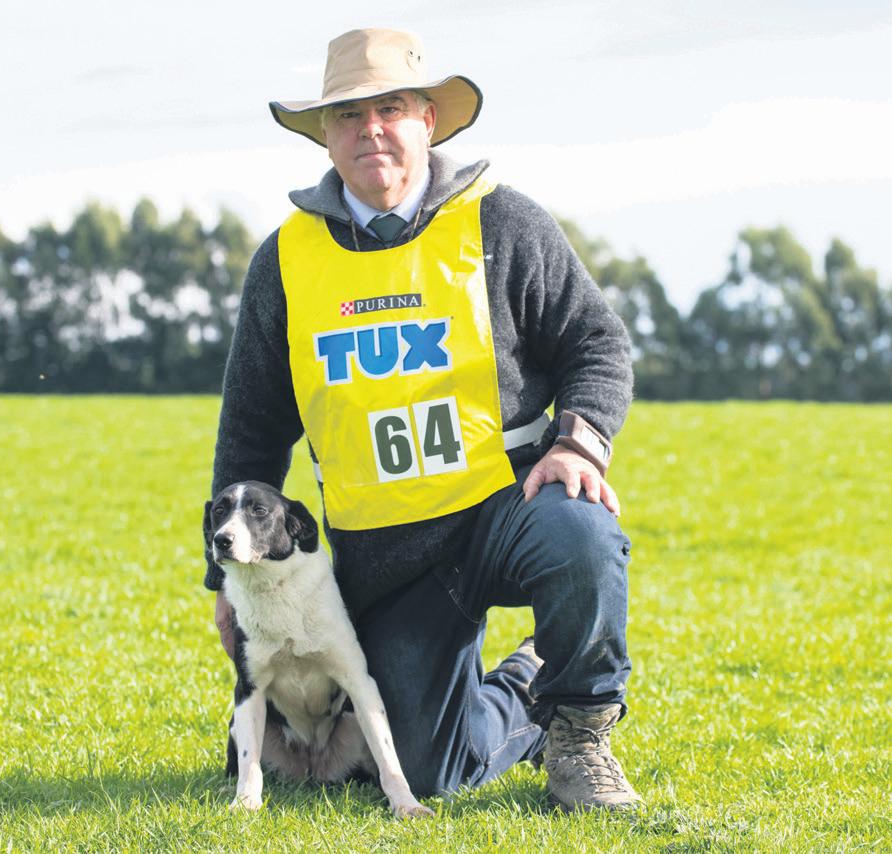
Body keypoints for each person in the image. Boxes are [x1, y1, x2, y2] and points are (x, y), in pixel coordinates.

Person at [203, 27, 640, 812]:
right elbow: (250, 430)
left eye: (391, 109)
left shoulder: (505, 223)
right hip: (388, 556)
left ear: (427, 121)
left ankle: (579, 734)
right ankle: (526, 684)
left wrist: (580, 442)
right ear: (326, 134)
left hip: (508, 506)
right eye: (348, 114)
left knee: (584, 536)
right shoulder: (284, 261)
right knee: (423, 768)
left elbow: (596, 342)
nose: (370, 130)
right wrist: (228, 581)